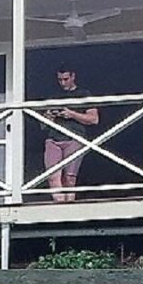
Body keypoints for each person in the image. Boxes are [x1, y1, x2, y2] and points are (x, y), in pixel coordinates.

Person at [42, 68, 101, 201]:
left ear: (73, 76)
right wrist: (48, 116)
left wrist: (72, 114)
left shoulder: (84, 94)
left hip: (74, 138)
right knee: (52, 176)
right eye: (60, 80)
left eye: (66, 79)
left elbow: (94, 119)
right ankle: (59, 206)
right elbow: (42, 125)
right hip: (53, 138)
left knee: (69, 178)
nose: (62, 83)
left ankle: (69, 205)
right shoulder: (53, 96)